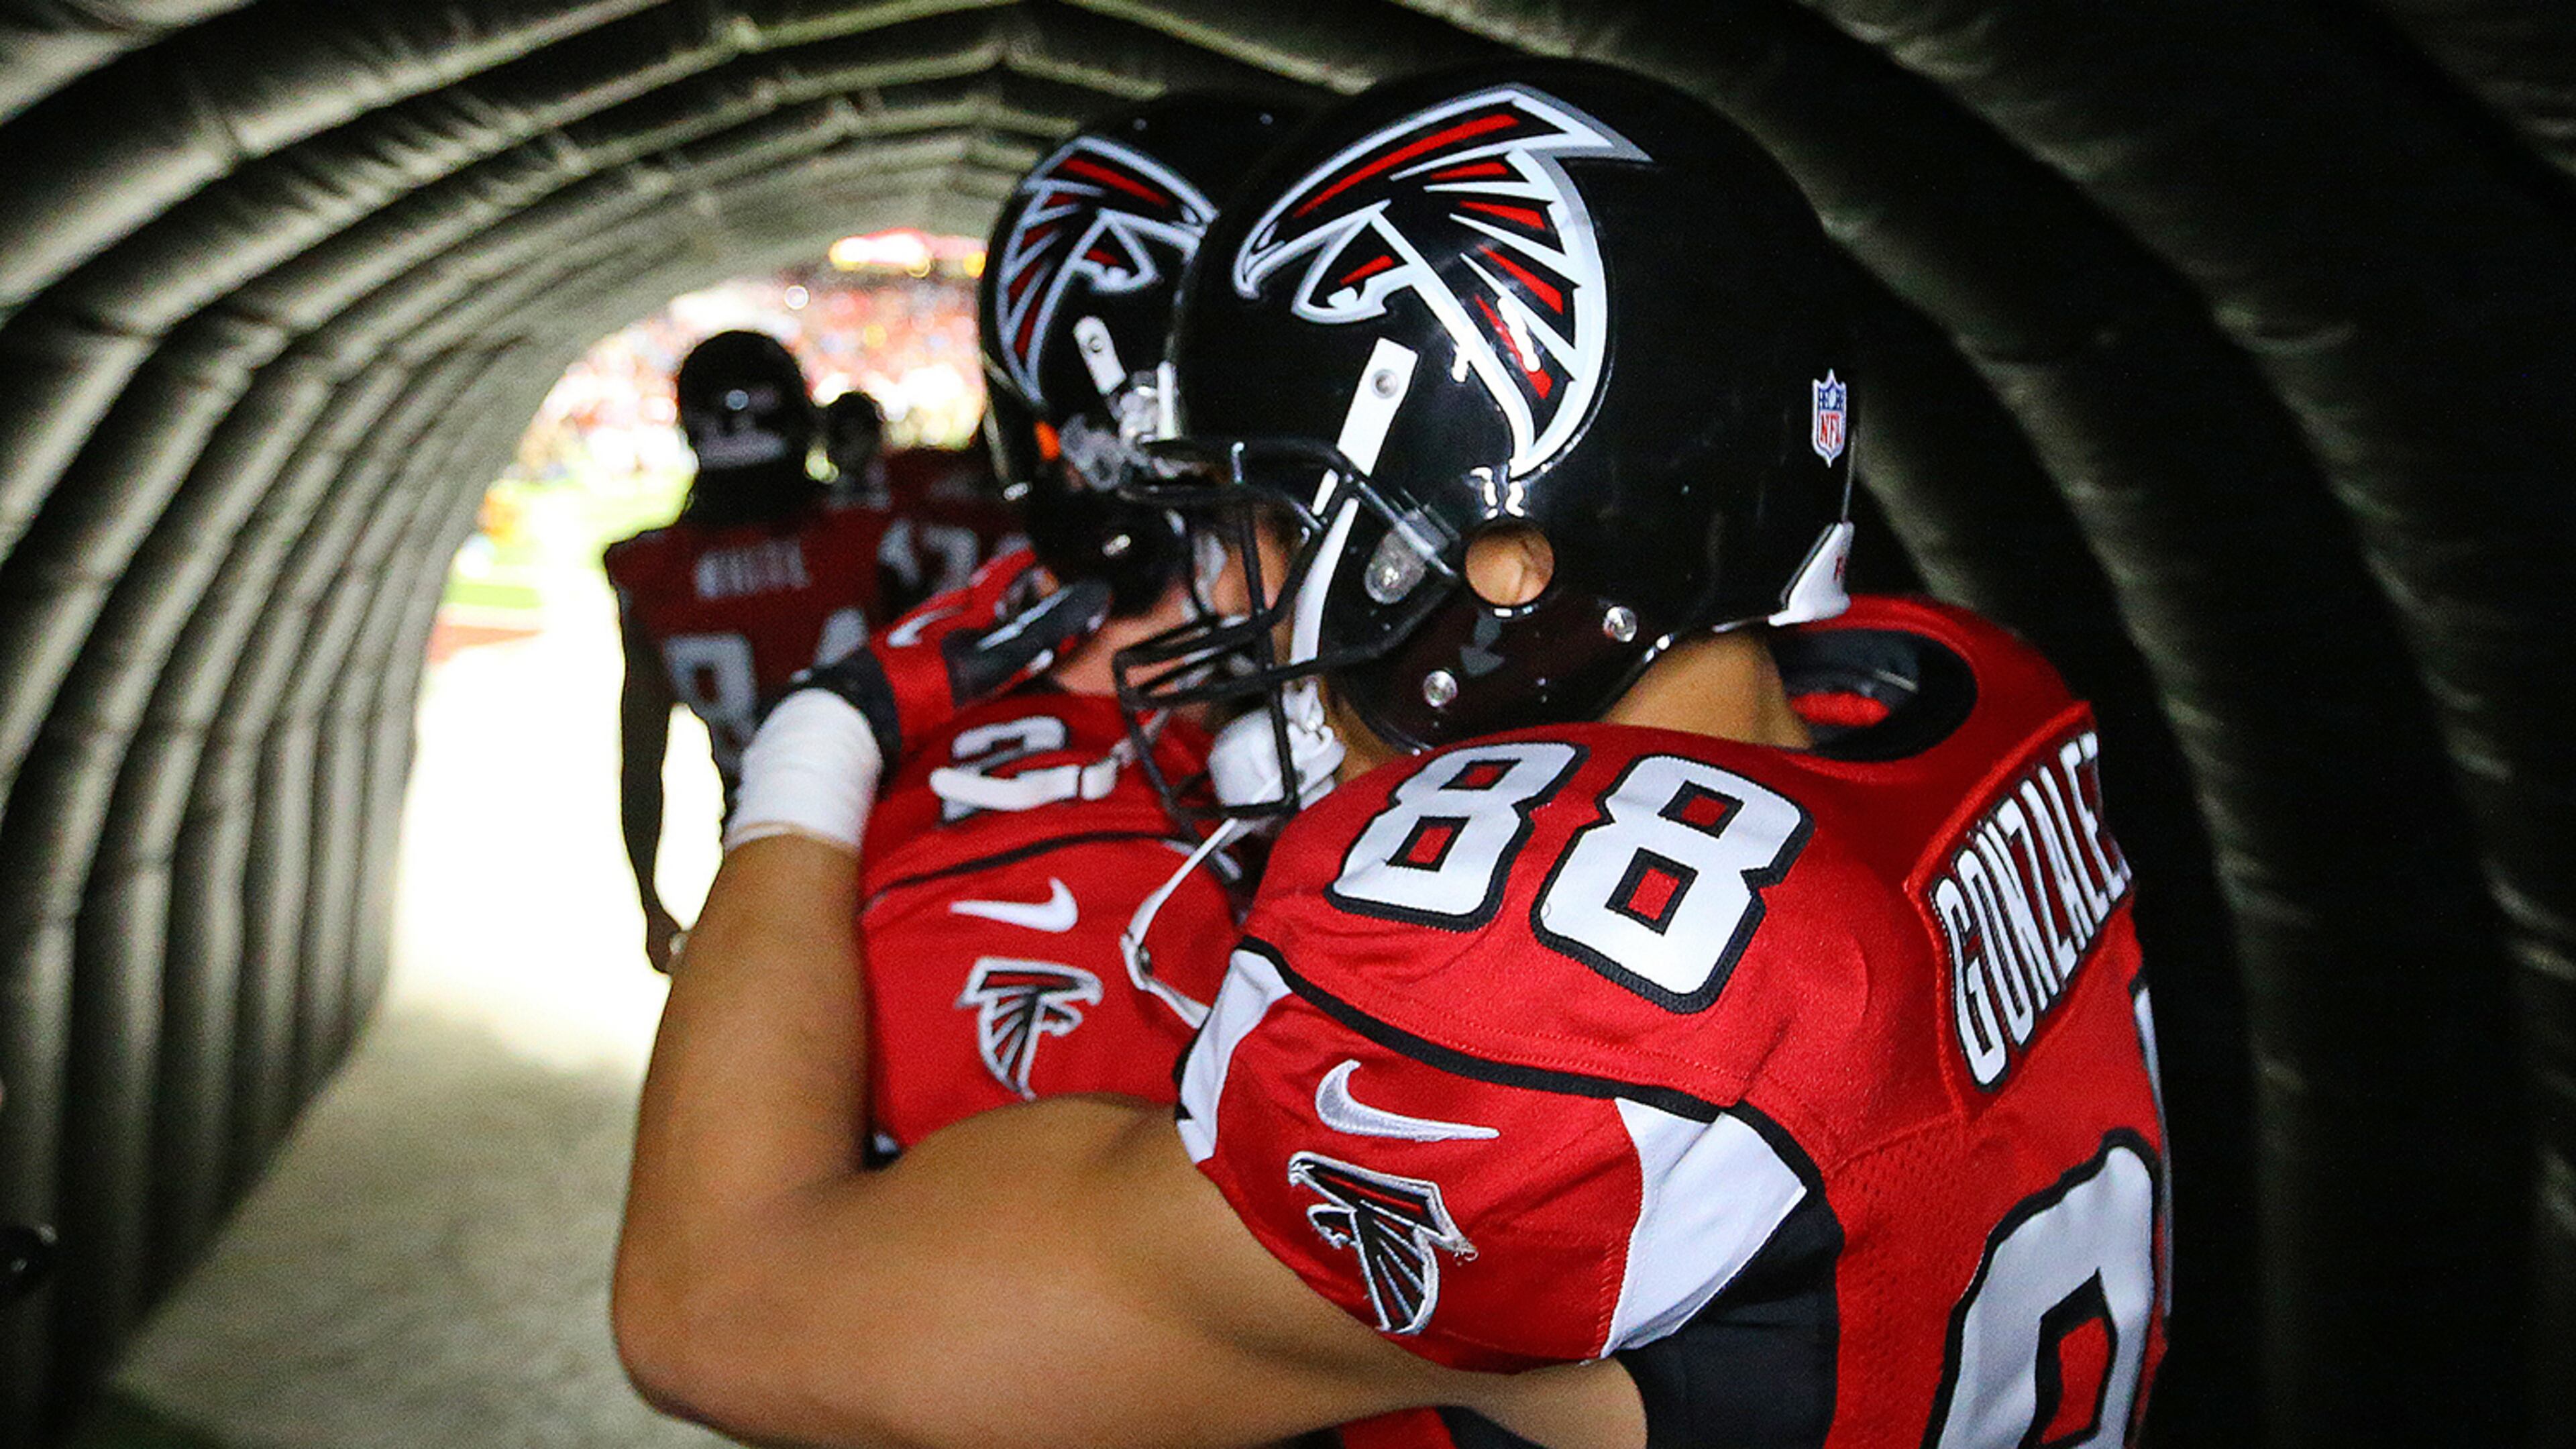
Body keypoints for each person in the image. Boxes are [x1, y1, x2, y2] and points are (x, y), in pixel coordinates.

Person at [617, 60, 2169, 1449]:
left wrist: (817, 753)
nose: (1230, 589)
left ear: (1506, 559)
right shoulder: (1956, 694)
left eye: (1281, 523)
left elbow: (717, 1305)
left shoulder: (1541, 1003)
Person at [603, 330, 900, 971]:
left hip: (758, 852)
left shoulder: (652, 571)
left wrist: (650, 899)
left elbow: (642, 753)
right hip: (897, 842)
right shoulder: (870, 535)